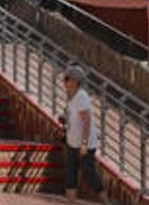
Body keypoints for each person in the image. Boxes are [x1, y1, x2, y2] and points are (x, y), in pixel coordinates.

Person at [62, 66, 108, 204]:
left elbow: (86, 122)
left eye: (66, 79)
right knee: (71, 174)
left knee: (89, 174)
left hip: (84, 144)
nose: (63, 81)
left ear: (75, 81)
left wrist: (84, 144)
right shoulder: (71, 96)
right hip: (72, 142)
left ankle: (106, 202)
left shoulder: (81, 97)